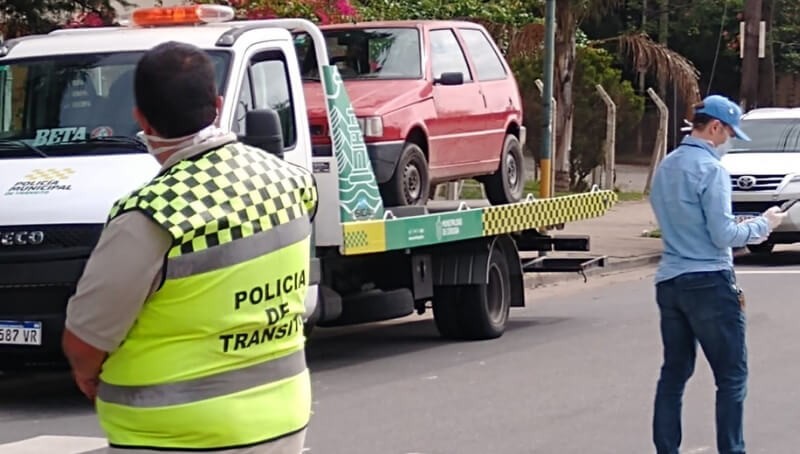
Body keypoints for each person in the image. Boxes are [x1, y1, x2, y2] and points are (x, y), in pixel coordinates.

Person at [62, 41, 318, 453]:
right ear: (217, 105)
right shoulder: (291, 181)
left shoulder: (149, 216)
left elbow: (85, 340)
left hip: (175, 435)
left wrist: (87, 373)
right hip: (283, 416)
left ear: (141, 119)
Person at [649, 94, 788, 454]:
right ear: (714, 128)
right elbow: (722, 235)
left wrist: (740, 223)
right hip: (710, 281)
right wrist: (763, 224)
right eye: (729, 134)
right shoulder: (712, 170)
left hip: (670, 280)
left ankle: (667, 449)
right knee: (732, 377)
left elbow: (688, 222)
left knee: (674, 375)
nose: (729, 143)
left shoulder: (666, 167)